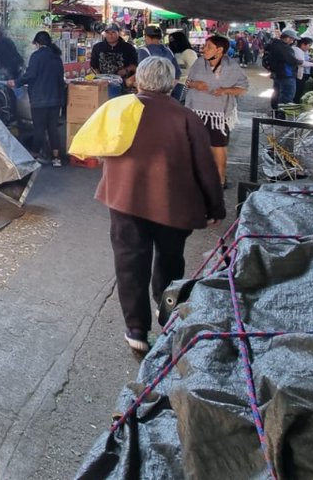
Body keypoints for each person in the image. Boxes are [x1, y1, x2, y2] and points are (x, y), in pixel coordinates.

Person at [94, 57, 225, 353]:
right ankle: (166, 311)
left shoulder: (118, 111)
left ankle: (136, 331)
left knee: (129, 263)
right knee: (169, 259)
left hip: (124, 199)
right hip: (172, 202)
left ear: (138, 80)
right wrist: (215, 207)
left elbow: (98, 148)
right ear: (171, 83)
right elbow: (205, 167)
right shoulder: (186, 117)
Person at [183, 34, 249, 187]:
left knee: (218, 148)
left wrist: (226, 90)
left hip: (218, 115)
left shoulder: (232, 67)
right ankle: (197, 180)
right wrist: (195, 85)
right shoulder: (199, 63)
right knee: (196, 147)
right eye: (204, 46)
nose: (203, 49)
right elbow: (187, 83)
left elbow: (243, 88)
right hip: (196, 112)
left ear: (219, 50)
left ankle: (220, 181)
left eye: (208, 47)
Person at [10, 31, 67, 167]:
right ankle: (56, 158)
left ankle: (34, 155)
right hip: (55, 99)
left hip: (39, 98)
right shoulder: (56, 57)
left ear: (37, 43)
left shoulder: (36, 56)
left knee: (39, 128)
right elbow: (60, 79)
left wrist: (16, 82)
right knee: (53, 128)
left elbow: (30, 75)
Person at [90, 24, 139, 89]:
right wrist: (99, 78)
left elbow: (136, 67)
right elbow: (93, 66)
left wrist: (126, 70)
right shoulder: (97, 48)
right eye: (107, 32)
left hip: (123, 86)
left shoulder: (129, 48)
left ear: (118, 33)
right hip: (102, 85)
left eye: (113, 32)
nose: (110, 35)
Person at [265, 30, 299, 108]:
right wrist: (300, 62)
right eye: (292, 39)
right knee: (287, 96)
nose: (292, 41)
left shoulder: (274, 44)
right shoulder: (283, 47)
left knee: (277, 93)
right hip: (286, 74)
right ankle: (282, 115)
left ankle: (276, 112)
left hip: (278, 74)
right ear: (287, 38)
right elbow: (291, 60)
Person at [169, 31, 198, 101]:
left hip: (183, 84)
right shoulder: (175, 53)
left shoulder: (188, 53)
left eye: (173, 40)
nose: (171, 43)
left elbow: (195, 70)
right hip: (173, 83)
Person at [293, 37, 313, 102]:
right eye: (309, 45)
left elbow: (306, 59)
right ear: (303, 44)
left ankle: (296, 102)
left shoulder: (301, 50)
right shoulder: (297, 51)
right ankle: (296, 103)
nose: (309, 47)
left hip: (300, 74)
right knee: (298, 91)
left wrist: (311, 61)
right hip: (298, 74)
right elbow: (301, 63)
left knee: (299, 90)